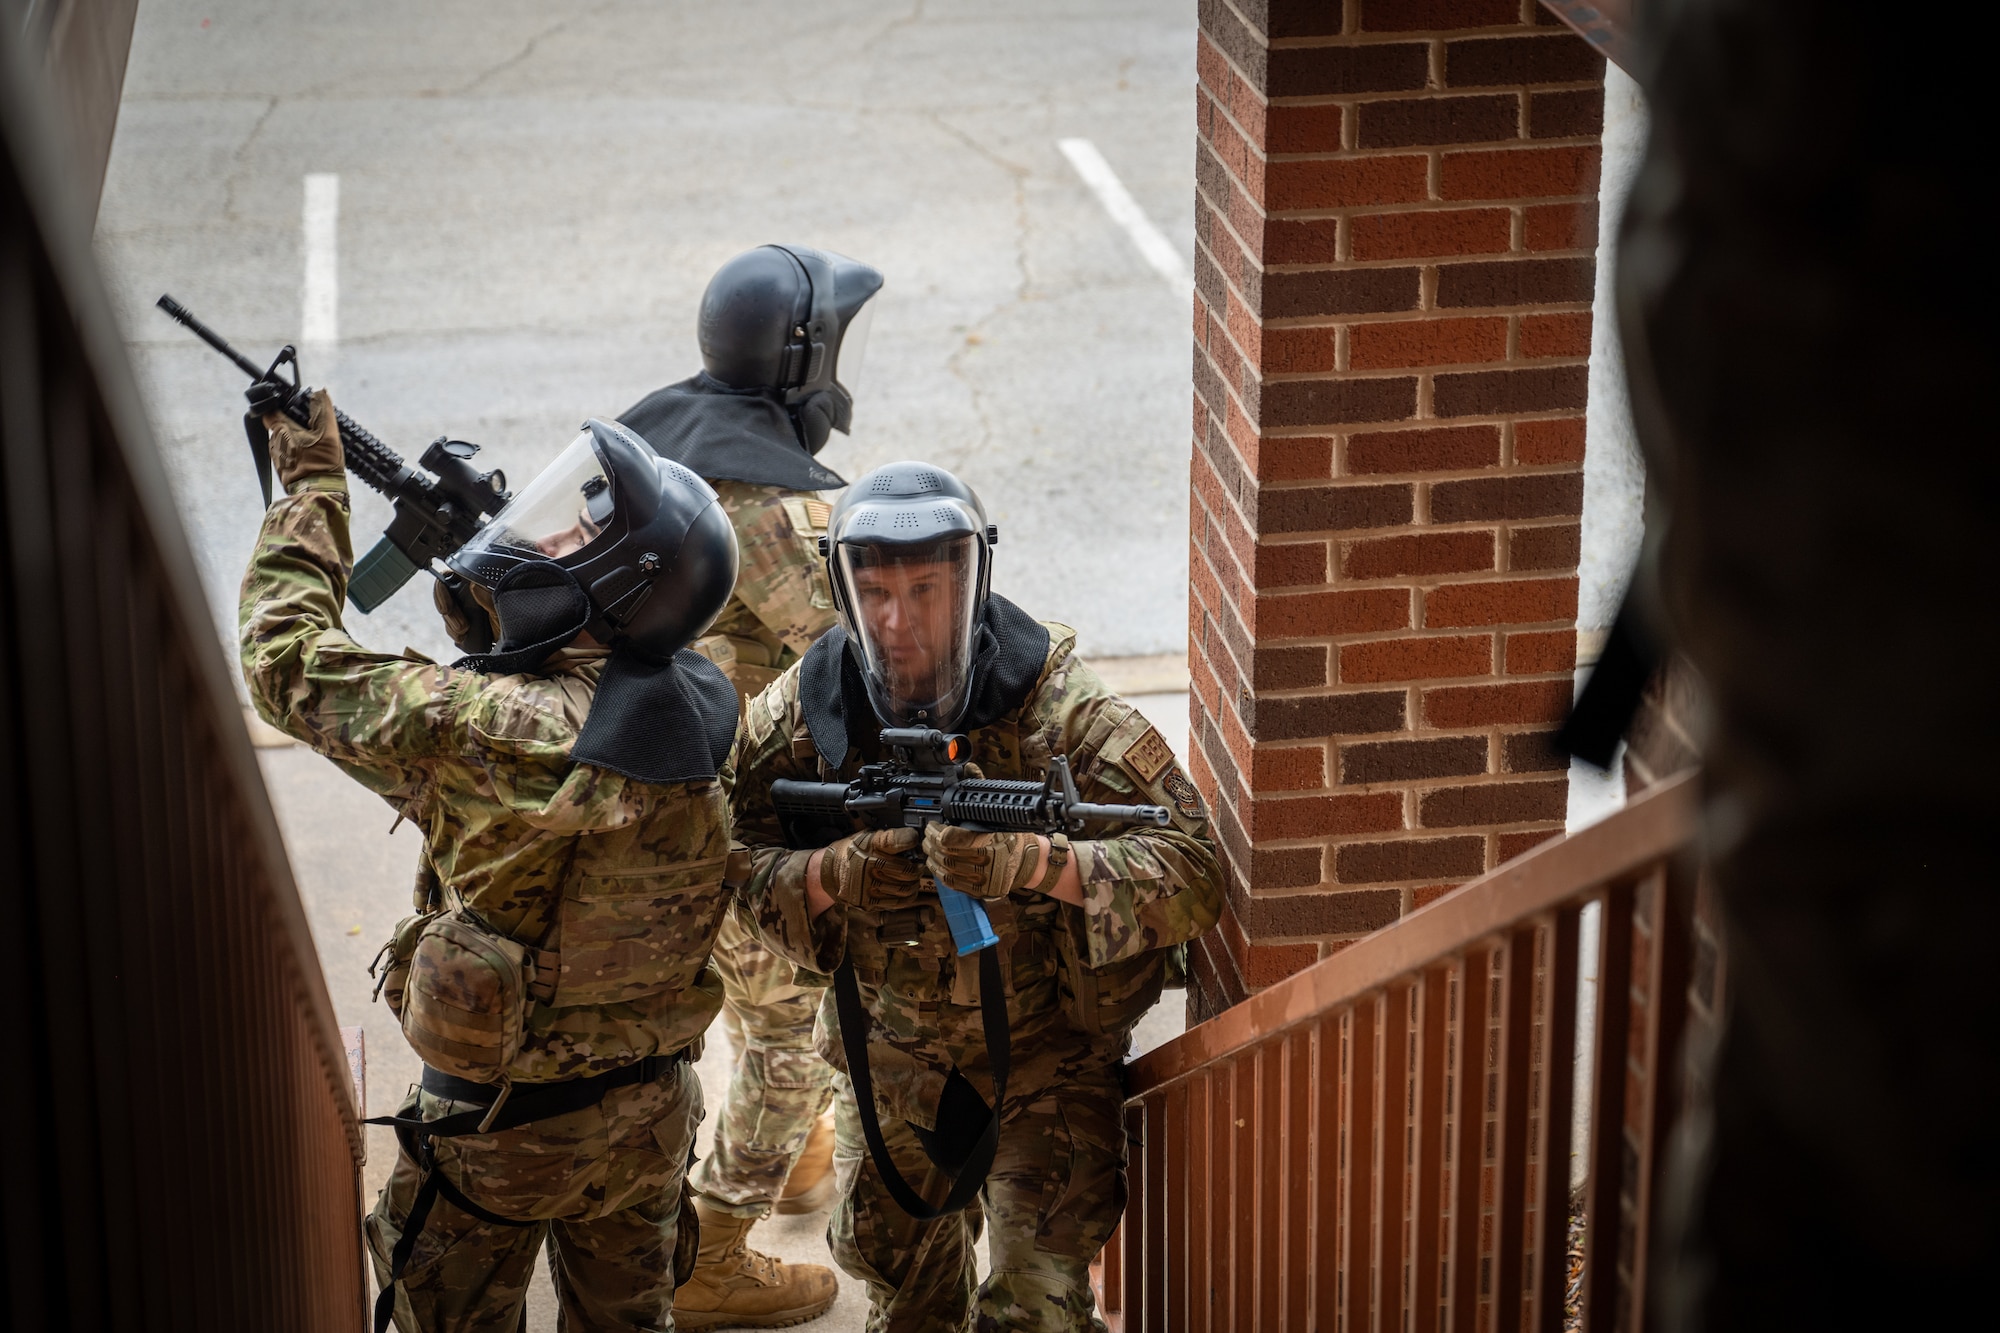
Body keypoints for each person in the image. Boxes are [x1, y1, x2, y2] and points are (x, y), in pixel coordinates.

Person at [241, 401, 745, 1332]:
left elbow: (283, 660)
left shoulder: (482, 732)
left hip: (499, 1130)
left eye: (577, 529)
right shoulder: (704, 711)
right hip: (651, 1119)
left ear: (613, 578)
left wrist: (310, 486)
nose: (546, 532)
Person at [730, 461, 1224, 1331]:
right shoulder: (808, 710)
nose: (898, 618)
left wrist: (1039, 864)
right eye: (875, 590)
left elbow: (1193, 870)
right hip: (887, 1058)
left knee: (1038, 1308)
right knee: (907, 1298)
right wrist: (825, 874)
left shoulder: (1059, 708)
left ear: (974, 579)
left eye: (927, 588)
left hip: (1046, 1063)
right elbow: (713, 853)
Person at [614, 244, 883, 1327]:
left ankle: (796, 1151)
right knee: (789, 1029)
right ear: (798, 358)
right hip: (733, 805)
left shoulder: (659, 444)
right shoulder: (768, 509)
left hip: (658, 784)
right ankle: (711, 1250)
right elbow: (859, 646)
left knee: (745, 988)